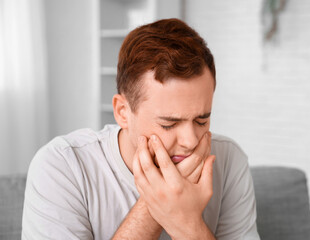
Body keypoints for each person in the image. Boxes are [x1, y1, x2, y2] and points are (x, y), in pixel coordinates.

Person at [22, 18, 260, 240]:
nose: (190, 141)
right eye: (169, 124)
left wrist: (188, 224)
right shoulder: (62, 166)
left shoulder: (228, 160)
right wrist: (155, 203)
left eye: (201, 121)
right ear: (123, 112)